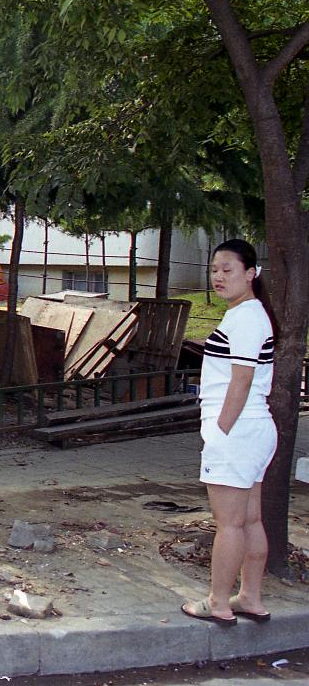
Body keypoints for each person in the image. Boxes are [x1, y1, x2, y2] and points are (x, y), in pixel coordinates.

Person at [181, 239, 277, 626]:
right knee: (250, 520)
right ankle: (249, 597)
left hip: (238, 432)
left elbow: (241, 380)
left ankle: (218, 602)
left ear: (250, 274)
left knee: (230, 524)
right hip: (252, 432)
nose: (219, 277)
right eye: (215, 270)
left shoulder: (248, 317)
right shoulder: (246, 314)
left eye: (228, 270)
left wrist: (219, 432)